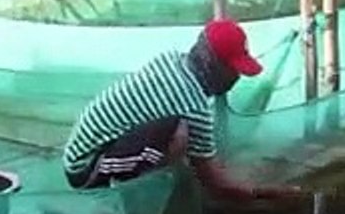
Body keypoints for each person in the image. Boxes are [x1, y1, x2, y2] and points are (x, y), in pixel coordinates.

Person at [63, 18, 303, 201]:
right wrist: (265, 192)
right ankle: (133, 196)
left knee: (177, 140)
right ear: (211, 63)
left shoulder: (171, 60)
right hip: (85, 168)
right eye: (233, 70)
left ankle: (139, 178)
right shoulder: (193, 105)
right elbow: (216, 183)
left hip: (80, 150)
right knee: (179, 135)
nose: (236, 77)